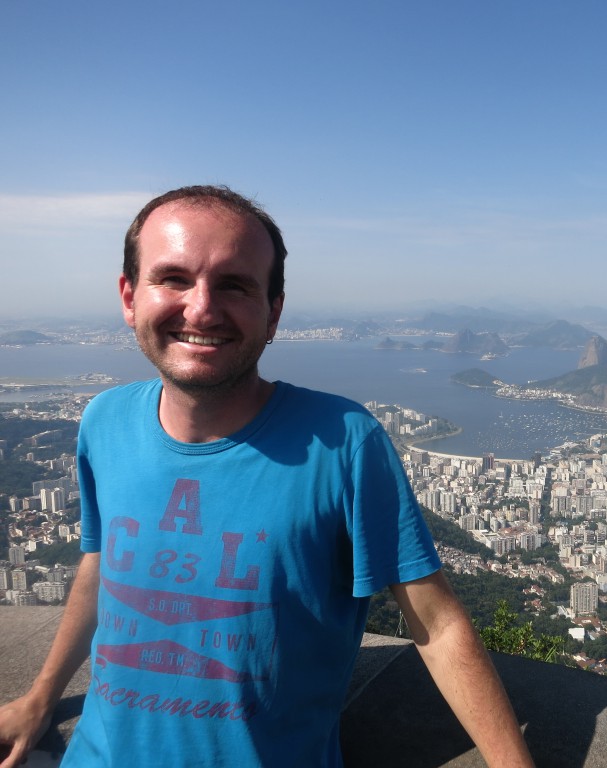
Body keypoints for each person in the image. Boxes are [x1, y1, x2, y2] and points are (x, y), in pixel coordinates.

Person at [0, 185, 534, 767]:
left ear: (274, 310)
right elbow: (102, 564)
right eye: (173, 278)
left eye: (234, 284)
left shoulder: (344, 442)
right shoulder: (103, 421)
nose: (201, 309)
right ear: (129, 296)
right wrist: (41, 697)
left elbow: (438, 625)